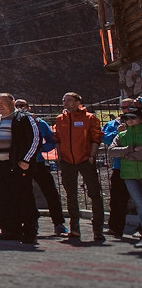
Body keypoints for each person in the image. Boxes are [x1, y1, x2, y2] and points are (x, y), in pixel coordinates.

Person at [0, 93, 40, 244]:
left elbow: (35, 140)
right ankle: (11, 230)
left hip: (16, 166)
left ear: (12, 102)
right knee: (4, 200)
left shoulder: (23, 118)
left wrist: (26, 160)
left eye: (2, 102)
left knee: (24, 199)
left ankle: (29, 232)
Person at [53, 92, 104, 242]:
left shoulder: (89, 118)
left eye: (69, 100)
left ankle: (98, 230)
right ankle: (74, 228)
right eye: (64, 100)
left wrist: (92, 156)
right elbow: (57, 138)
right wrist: (60, 156)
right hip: (67, 161)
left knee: (94, 194)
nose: (66, 103)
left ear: (78, 102)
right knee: (71, 195)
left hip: (85, 160)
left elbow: (96, 137)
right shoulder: (59, 119)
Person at [16, 100, 67, 236]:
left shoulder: (40, 123)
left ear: (29, 107)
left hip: (38, 162)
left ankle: (58, 223)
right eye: (17, 106)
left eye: (23, 106)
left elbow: (52, 141)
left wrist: (40, 149)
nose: (20, 108)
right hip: (20, 163)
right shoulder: (13, 123)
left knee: (50, 192)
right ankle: (26, 222)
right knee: (22, 194)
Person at [107, 106, 142, 249]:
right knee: (139, 203)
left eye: (132, 117)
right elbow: (111, 151)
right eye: (126, 118)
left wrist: (126, 155)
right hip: (129, 174)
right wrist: (131, 149)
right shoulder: (121, 135)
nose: (129, 120)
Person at [102, 98, 136, 238]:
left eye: (128, 107)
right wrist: (118, 132)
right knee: (117, 199)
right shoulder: (113, 124)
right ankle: (115, 228)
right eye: (122, 107)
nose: (125, 110)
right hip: (119, 166)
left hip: (136, 166)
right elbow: (105, 138)